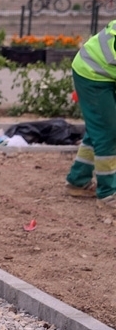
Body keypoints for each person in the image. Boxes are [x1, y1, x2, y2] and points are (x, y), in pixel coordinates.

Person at [64, 19, 116, 207]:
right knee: (108, 134)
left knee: (100, 130)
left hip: (104, 71)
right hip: (93, 74)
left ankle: (77, 181)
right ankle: (108, 194)